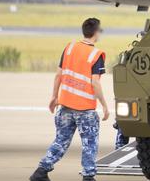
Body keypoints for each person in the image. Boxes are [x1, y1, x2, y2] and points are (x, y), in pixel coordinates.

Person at [30, 18, 110, 181]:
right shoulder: (96, 55)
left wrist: (54, 96)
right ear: (95, 32)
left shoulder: (69, 48)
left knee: (61, 141)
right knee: (89, 144)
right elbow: (95, 83)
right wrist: (105, 106)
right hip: (85, 110)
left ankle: (41, 172)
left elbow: (59, 75)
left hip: (65, 106)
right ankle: (88, 177)